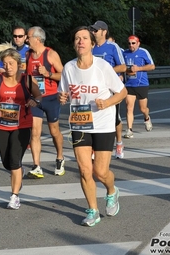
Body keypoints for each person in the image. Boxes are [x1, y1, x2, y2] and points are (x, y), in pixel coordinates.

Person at [58, 26, 127, 226]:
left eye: (84, 38)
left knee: (100, 172)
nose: (81, 41)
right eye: (77, 38)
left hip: (104, 124)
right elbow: (64, 93)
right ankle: (93, 210)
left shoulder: (103, 66)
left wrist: (107, 103)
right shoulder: (69, 68)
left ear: (91, 43)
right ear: (74, 44)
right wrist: (61, 96)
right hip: (80, 123)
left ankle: (112, 190)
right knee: (84, 170)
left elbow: (122, 92)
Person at [0, 43, 42, 209]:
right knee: (6, 162)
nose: (8, 67)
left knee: (14, 160)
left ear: (19, 64)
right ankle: (18, 172)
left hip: (22, 126)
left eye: (11, 63)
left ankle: (14, 196)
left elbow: (38, 95)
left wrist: (34, 101)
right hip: (2, 125)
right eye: (5, 63)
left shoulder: (26, 80)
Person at [25, 26, 65, 178]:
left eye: (28, 37)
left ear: (37, 39)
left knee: (54, 132)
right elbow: (27, 76)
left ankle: (60, 157)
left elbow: (63, 75)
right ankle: (37, 166)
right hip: (36, 98)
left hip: (51, 98)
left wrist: (48, 74)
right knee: (35, 132)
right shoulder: (28, 55)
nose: (26, 40)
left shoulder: (50, 54)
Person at [90, 20, 126, 159]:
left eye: (96, 30)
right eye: (92, 30)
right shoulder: (90, 47)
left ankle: (119, 143)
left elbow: (123, 67)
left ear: (104, 32)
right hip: (93, 88)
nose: (93, 32)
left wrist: (106, 71)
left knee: (114, 119)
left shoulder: (112, 47)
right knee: (93, 116)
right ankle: (94, 148)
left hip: (110, 89)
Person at [122, 35, 155, 138]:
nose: (131, 45)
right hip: (129, 84)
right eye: (129, 43)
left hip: (142, 84)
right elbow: (121, 66)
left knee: (143, 108)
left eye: (133, 43)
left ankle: (146, 118)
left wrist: (138, 68)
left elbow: (152, 66)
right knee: (129, 108)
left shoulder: (143, 52)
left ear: (138, 43)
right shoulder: (124, 53)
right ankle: (129, 130)